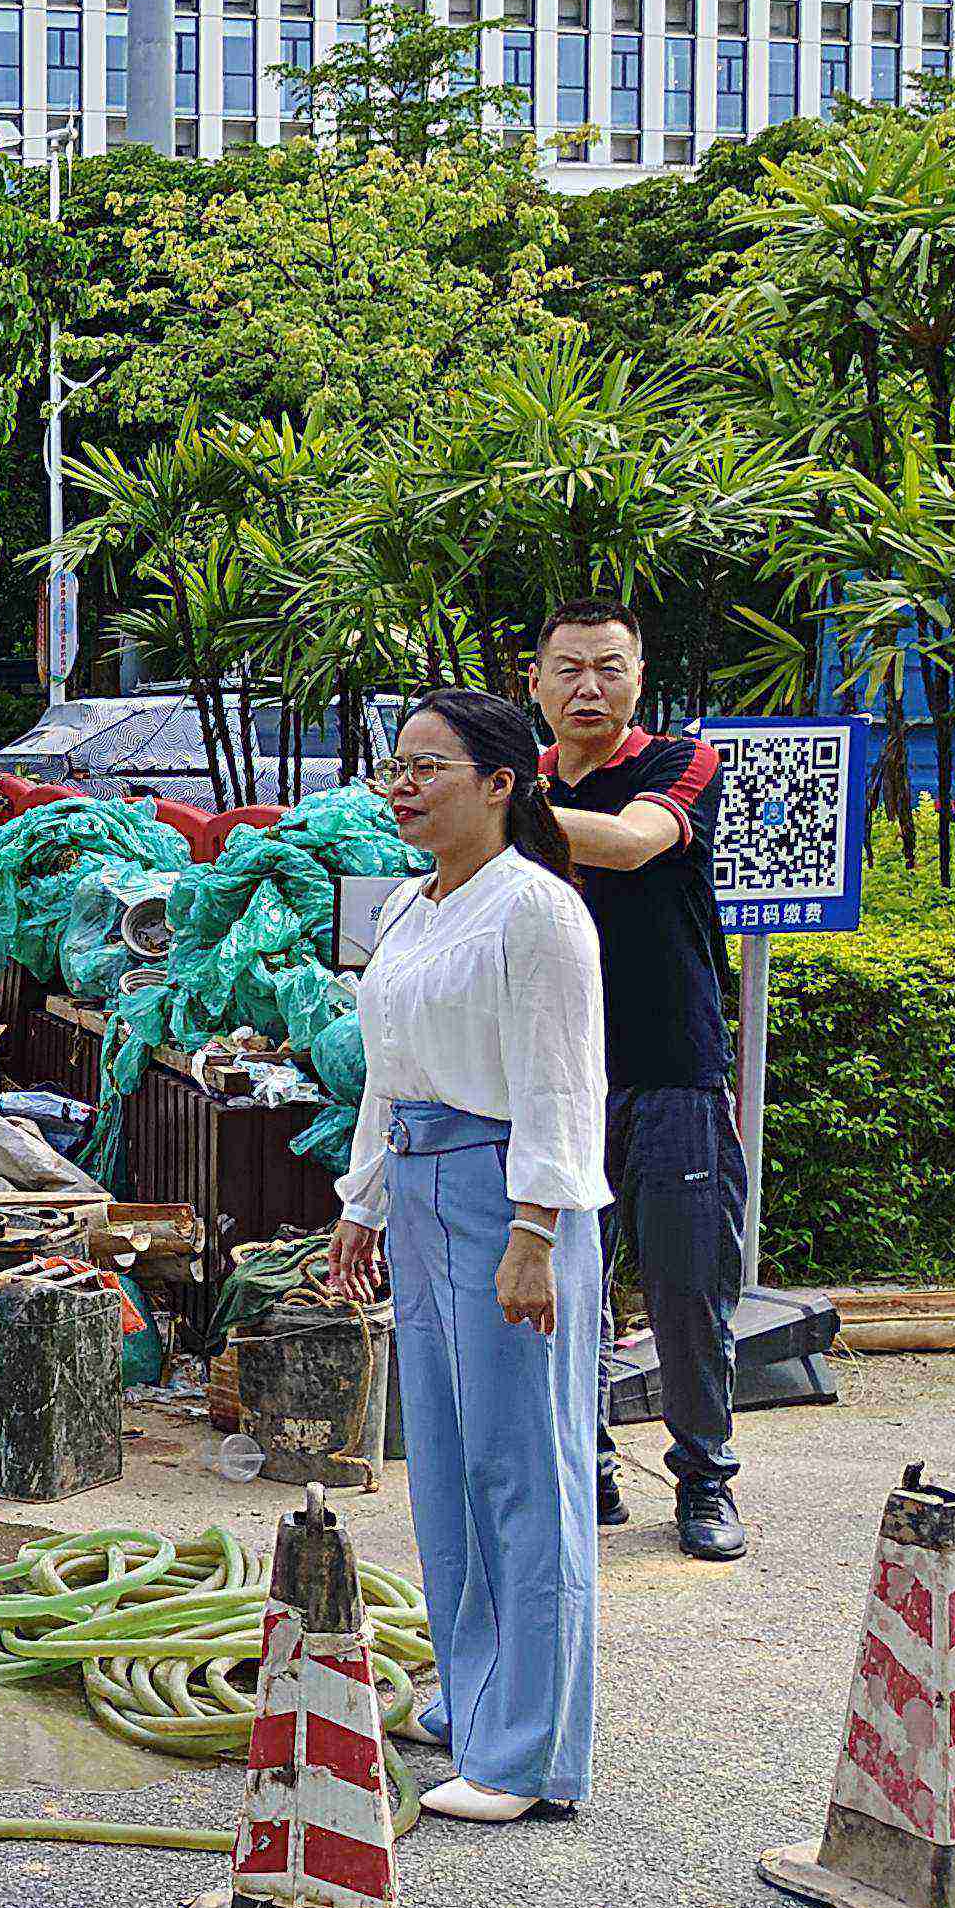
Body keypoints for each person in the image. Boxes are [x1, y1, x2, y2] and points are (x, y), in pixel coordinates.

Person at [323, 687, 610, 1824]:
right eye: (397, 765)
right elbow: (385, 1069)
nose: (404, 785)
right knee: (443, 1464)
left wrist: (536, 1236)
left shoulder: (536, 911)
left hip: (510, 1200)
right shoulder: (408, 906)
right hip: (425, 1185)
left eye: (430, 767)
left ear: (501, 783)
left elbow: (560, 1082)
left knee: (523, 1469)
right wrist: (366, 1200)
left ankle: (528, 1753)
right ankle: (472, 1698)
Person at [530, 599, 750, 1561]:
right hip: (555, 1082)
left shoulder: (677, 763)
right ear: (533, 685)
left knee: (684, 1287)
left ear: (638, 680)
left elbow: (626, 844)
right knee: (563, 1285)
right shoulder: (525, 781)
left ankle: (706, 1479)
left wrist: (490, 812)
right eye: (569, 668)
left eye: (609, 668)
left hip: (671, 1069)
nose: (589, 687)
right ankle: (590, 1463)